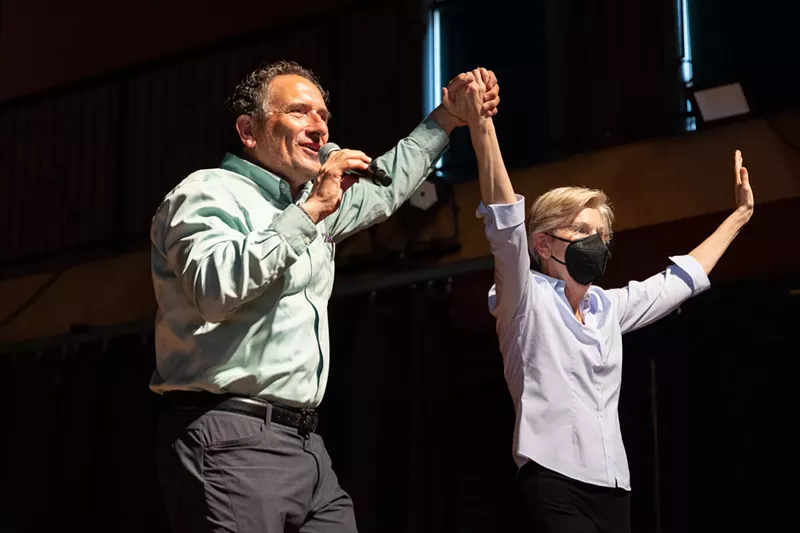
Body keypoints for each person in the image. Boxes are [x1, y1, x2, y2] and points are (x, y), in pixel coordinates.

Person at [149, 60, 500, 533]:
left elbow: (388, 183)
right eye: (299, 112)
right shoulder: (208, 191)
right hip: (232, 434)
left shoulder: (310, 203)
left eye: (324, 116)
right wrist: (313, 208)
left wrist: (447, 118)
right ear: (248, 130)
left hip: (306, 443)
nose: (318, 127)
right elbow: (213, 289)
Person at [442, 71, 754, 533]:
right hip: (552, 480)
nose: (597, 243)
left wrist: (740, 217)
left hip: (614, 486)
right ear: (545, 245)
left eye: (602, 235)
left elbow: (681, 279)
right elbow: (506, 223)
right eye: (583, 231)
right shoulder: (523, 298)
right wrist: (482, 126)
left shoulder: (609, 308)